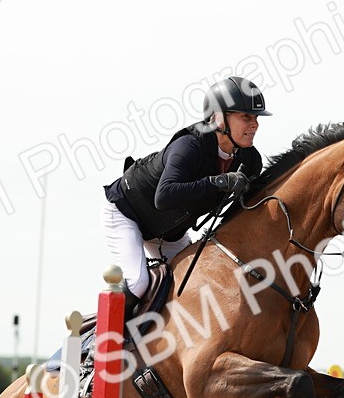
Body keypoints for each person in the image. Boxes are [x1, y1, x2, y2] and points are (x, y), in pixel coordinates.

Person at [102, 76, 271, 306]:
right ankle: (103, 339)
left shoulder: (250, 161)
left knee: (194, 284)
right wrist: (219, 182)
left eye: (256, 118)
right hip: (127, 213)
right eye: (246, 116)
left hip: (171, 232)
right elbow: (164, 196)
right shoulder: (189, 146)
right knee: (138, 283)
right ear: (219, 118)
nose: (255, 124)